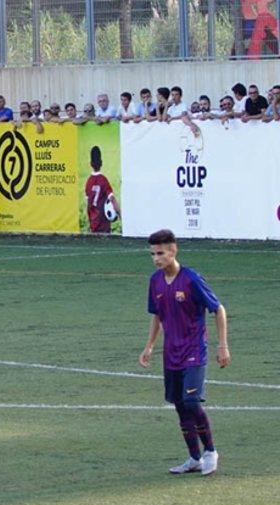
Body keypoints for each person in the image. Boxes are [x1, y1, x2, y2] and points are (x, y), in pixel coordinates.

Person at [138, 229, 229, 477]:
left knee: (191, 401)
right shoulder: (155, 281)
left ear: (173, 250)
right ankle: (194, 458)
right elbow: (157, 315)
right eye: (152, 254)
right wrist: (149, 346)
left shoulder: (191, 279)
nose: (156, 258)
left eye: (160, 253)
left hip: (194, 352)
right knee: (179, 405)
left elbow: (218, 309)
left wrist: (222, 345)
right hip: (171, 354)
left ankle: (210, 451)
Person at [83, 147, 118, 233]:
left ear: (90, 164)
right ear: (101, 163)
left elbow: (89, 205)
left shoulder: (88, 182)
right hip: (104, 224)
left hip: (94, 225)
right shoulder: (103, 180)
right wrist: (119, 213)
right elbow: (112, 198)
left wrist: (90, 222)